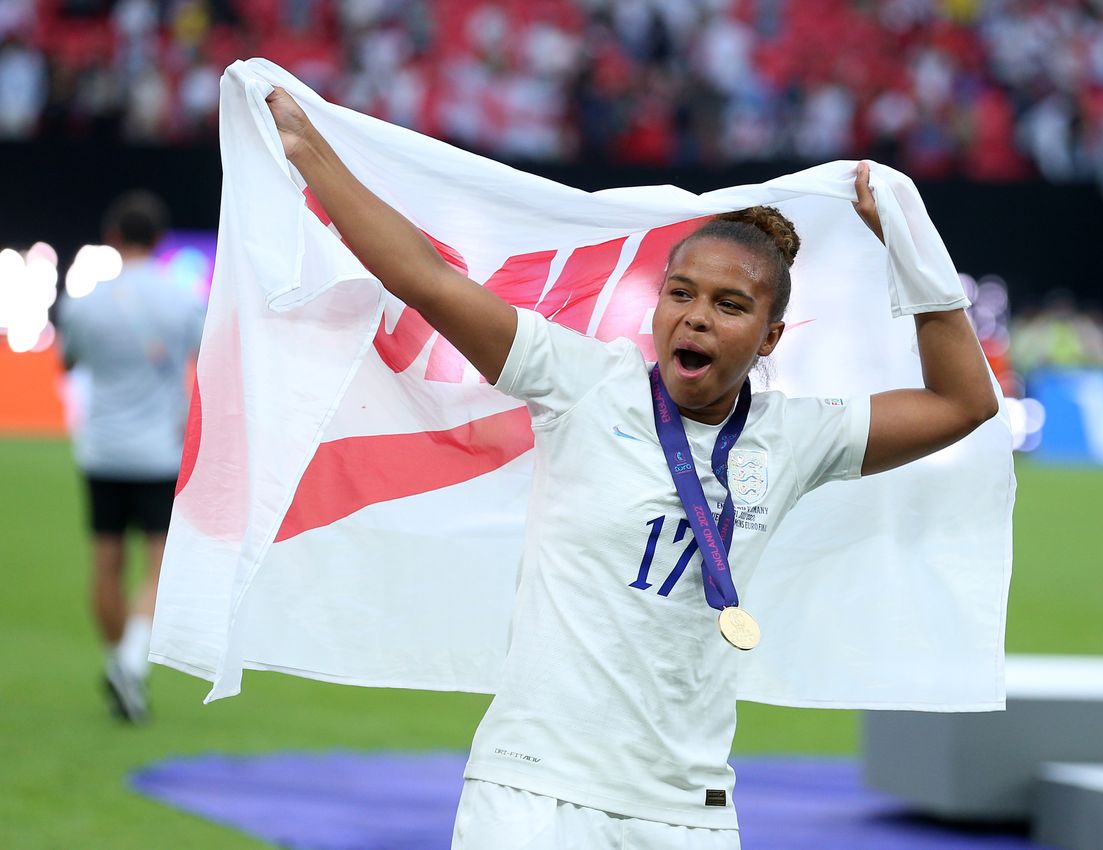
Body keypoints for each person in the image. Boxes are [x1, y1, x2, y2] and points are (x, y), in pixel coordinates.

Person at [266, 86, 998, 848]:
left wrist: (916, 256)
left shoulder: (797, 437)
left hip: (687, 811)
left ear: (771, 337)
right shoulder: (583, 381)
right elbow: (428, 279)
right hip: (535, 789)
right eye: (680, 293)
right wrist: (309, 153)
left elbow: (963, 404)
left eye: (729, 304)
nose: (697, 317)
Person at [57, 191, 206, 723]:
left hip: (101, 449)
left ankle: (117, 662)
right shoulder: (183, 299)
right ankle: (130, 665)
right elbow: (205, 362)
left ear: (113, 237)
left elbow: (68, 363)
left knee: (105, 564)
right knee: (159, 566)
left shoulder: (84, 301)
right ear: (161, 240)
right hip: (158, 452)